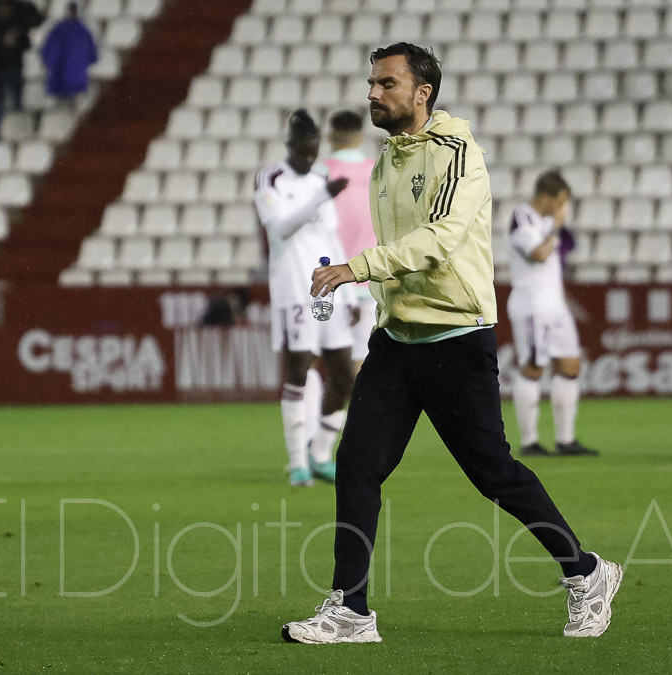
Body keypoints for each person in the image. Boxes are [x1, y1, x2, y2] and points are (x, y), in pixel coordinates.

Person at [287, 42, 621, 644]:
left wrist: (357, 268)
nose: (372, 94)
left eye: (386, 84)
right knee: (356, 464)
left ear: (423, 93)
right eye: (371, 83)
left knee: (493, 473)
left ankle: (586, 572)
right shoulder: (390, 158)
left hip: (455, 337)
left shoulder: (458, 153)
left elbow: (440, 238)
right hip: (397, 340)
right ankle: (351, 610)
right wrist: (382, 306)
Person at [254, 109, 357, 487]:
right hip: (294, 290)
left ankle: (320, 455)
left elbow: (331, 237)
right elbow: (279, 228)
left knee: (344, 375)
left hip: (327, 288)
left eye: (313, 151)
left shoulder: (319, 177)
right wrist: (318, 199)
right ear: (290, 145)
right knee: (298, 372)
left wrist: (346, 293)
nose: (307, 158)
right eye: (302, 151)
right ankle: (297, 463)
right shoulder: (271, 178)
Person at [508, 171, 598, 457]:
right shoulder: (522, 218)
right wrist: (556, 227)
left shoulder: (547, 222)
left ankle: (565, 439)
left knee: (570, 365)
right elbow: (538, 253)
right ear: (545, 198)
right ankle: (530, 441)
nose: (563, 209)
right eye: (560, 202)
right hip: (532, 304)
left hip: (555, 304)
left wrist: (556, 226)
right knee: (533, 367)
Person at [319, 110, 377, 380]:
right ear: (361, 136)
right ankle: (358, 419)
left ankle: (326, 420)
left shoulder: (320, 174)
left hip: (330, 279)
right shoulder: (376, 171)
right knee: (362, 360)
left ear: (329, 136)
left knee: (325, 360)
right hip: (366, 277)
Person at [0, 0, 44, 114]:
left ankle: (15, 121)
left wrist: (16, 38)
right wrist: (2, 40)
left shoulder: (20, 21)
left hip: (15, 65)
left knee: (15, 101)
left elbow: (36, 22)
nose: (4, 10)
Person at [39, 2, 96, 106]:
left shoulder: (82, 31)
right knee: (61, 109)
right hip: (62, 79)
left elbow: (92, 54)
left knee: (69, 109)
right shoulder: (62, 30)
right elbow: (49, 51)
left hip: (73, 80)